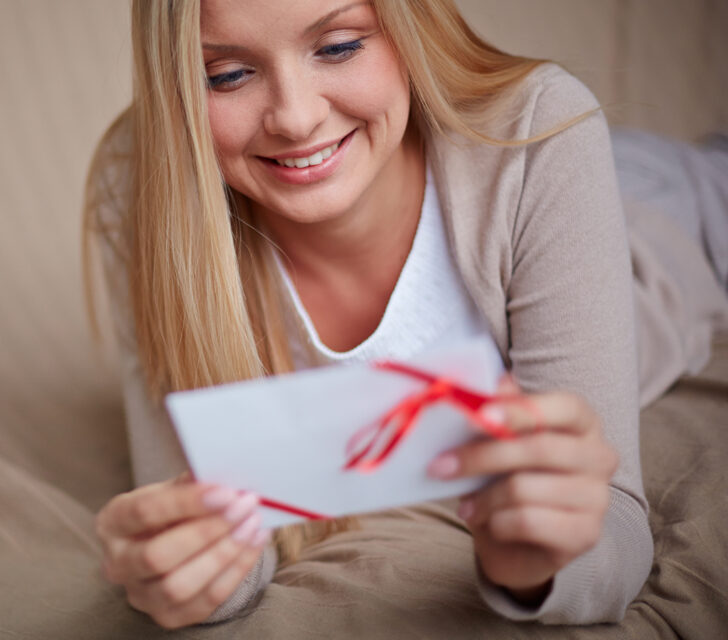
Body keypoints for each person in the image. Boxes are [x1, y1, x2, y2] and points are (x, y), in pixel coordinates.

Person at [83, 0, 728, 630]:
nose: (297, 119)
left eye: (339, 47)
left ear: (408, 24)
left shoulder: (547, 131)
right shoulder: (148, 185)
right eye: (226, 76)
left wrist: (545, 567)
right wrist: (191, 572)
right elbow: (197, 511)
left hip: (671, 207)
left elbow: (613, 519)